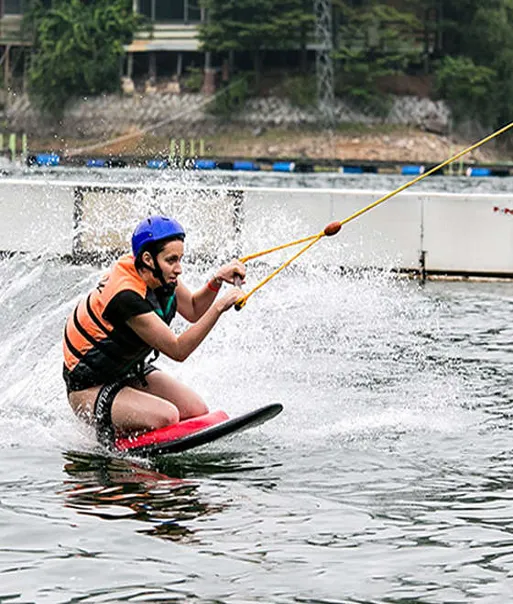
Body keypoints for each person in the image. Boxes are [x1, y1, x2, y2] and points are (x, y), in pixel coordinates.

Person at [63, 215, 246, 446]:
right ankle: (113, 440)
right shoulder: (126, 296)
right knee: (166, 416)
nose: (179, 269)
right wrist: (221, 306)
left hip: (126, 371)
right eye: (172, 260)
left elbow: (192, 309)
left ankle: (134, 413)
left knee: (196, 409)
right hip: (88, 388)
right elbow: (178, 350)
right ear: (148, 259)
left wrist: (217, 280)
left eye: (180, 259)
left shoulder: (157, 273)